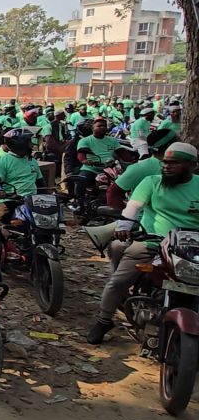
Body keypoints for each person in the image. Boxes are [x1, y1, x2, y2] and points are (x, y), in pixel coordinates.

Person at [87, 142, 199, 344]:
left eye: (175, 163)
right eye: (165, 162)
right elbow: (133, 206)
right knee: (119, 281)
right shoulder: (152, 182)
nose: (167, 166)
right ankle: (104, 320)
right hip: (152, 243)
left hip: (191, 249)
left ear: (192, 165)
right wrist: (124, 225)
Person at [0, 129, 43, 223]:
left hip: (32, 200)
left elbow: (40, 181)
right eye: (28, 141)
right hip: (10, 200)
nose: (32, 144)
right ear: (19, 143)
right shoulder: (3, 161)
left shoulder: (32, 161)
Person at [75, 117, 121, 204]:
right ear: (93, 128)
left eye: (104, 126)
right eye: (99, 126)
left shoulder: (113, 140)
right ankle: (79, 202)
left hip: (110, 169)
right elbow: (81, 155)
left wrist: (131, 158)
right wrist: (85, 161)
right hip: (91, 169)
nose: (102, 127)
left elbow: (121, 153)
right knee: (81, 180)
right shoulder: (85, 140)